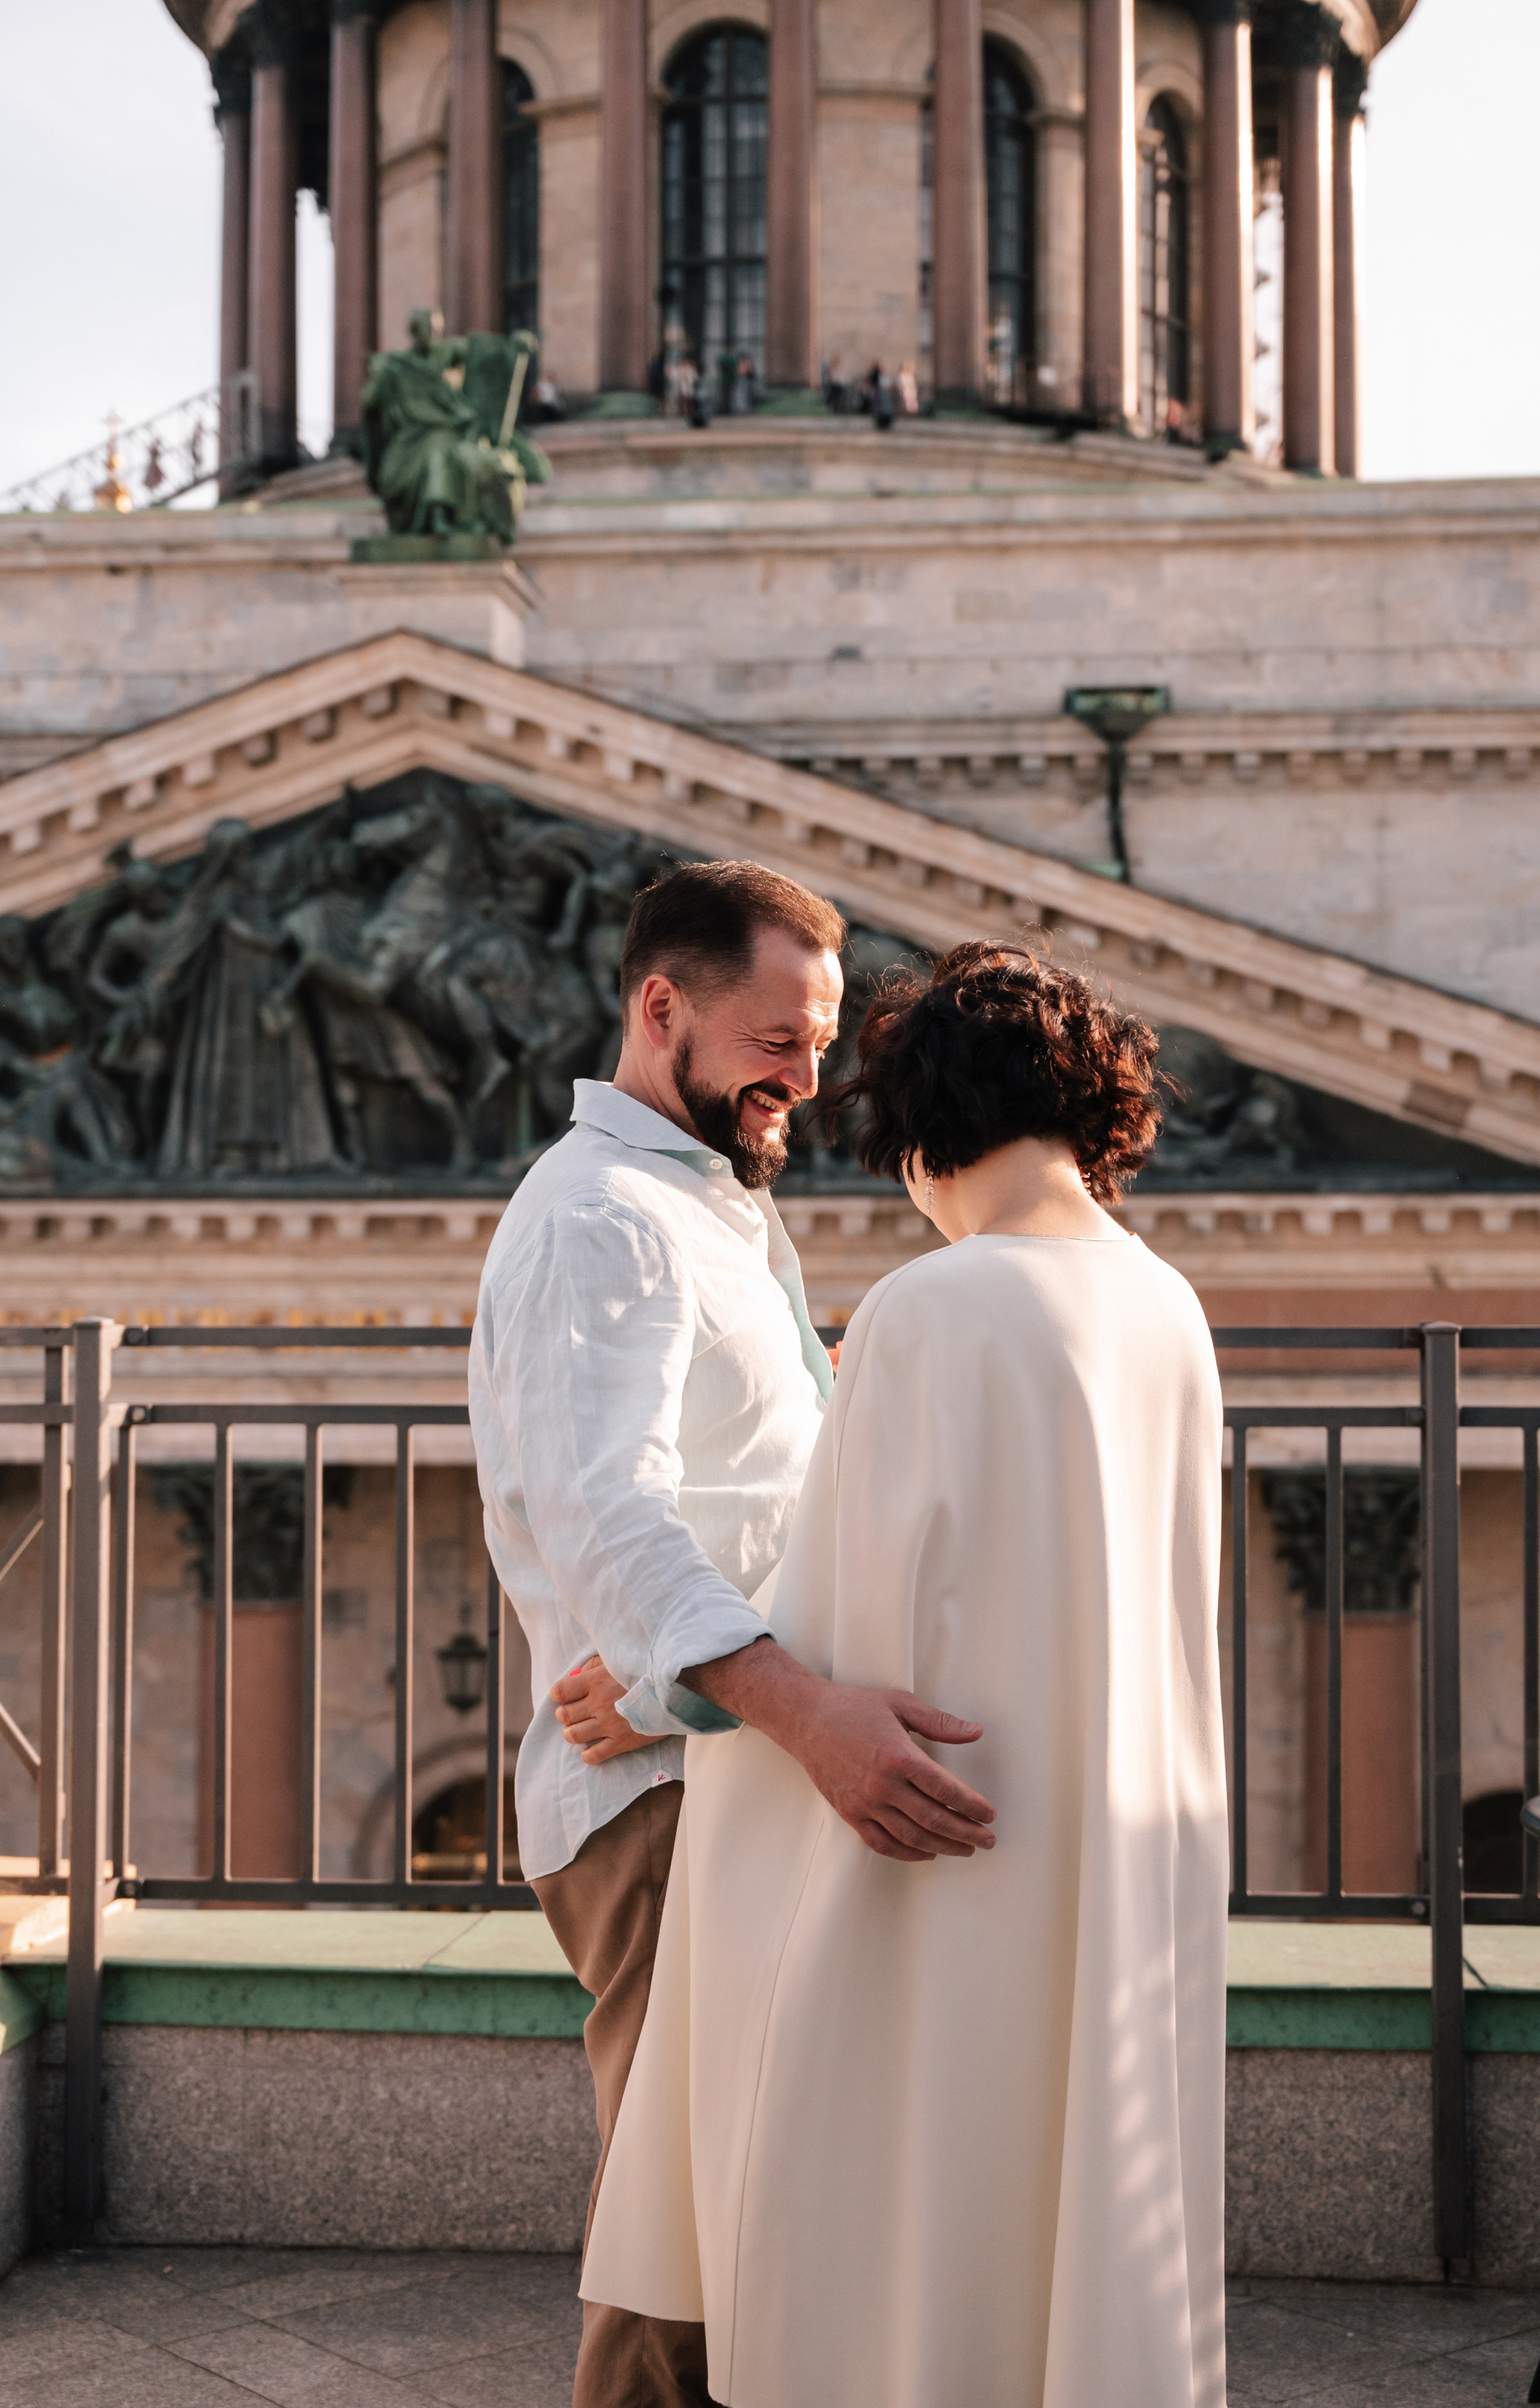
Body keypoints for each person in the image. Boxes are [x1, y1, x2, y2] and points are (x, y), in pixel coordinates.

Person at [582, 941, 1229, 2408]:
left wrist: (646, 1690)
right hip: (1109, 1843)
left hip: (936, 1833)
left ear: (922, 1125)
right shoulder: (1163, 1305)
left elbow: (835, 1617)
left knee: (897, 2250)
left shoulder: (933, 1307)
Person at [469, 866, 997, 2408]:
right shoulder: (603, 1217)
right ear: (660, 1008)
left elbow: (739, 1504)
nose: (809, 1081)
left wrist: (683, 1692)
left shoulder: (699, 1205)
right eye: (777, 1038)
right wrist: (790, 1707)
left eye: (824, 1044)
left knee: (734, 2222)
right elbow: (608, 1516)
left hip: (700, 1765)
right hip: (656, 1815)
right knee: (687, 2243)